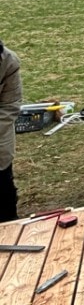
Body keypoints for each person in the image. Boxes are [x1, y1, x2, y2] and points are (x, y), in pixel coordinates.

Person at [0, 41, 22, 223]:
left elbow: (9, 105)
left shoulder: (8, 61)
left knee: (3, 188)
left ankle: (10, 224)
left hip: (0, 135)